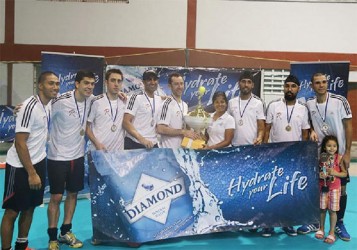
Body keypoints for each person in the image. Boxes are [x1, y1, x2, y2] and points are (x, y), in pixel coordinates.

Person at [1, 72, 60, 250]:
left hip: (39, 162)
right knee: (13, 211)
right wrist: (31, 173)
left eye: (57, 84)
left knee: (30, 206)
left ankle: (22, 245)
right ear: (40, 85)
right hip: (20, 166)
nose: (55, 87)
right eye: (51, 83)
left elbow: (78, 95)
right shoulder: (29, 107)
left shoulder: (49, 104)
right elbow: (19, 142)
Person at [298, 73, 353, 241]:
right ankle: (316, 222)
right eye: (317, 83)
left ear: (327, 83)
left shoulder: (339, 101)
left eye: (323, 82)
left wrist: (348, 152)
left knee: (340, 189)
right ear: (312, 86)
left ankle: (339, 223)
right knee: (318, 188)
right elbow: (305, 122)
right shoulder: (308, 103)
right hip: (319, 156)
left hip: (339, 154)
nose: (321, 85)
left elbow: (348, 126)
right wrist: (312, 131)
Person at [46, 70, 96, 250]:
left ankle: (65, 231)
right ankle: (52, 237)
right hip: (57, 157)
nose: (89, 87)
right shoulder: (60, 101)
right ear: (77, 84)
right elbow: (41, 104)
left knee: (73, 194)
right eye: (86, 83)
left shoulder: (92, 100)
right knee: (56, 197)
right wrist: (21, 106)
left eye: (92, 84)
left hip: (77, 156)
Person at [262, 74, 310, 237]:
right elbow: (267, 130)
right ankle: (268, 224)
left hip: (293, 157)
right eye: (287, 86)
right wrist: (264, 151)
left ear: (298, 89)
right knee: (271, 190)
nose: (289, 89)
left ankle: (287, 223)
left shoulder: (303, 109)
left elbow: (305, 134)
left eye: (293, 86)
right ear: (283, 87)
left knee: (289, 192)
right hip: (274, 155)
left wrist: (302, 155)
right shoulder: (274, 106)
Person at [315, 135, 347, 244]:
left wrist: (335, 173)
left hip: (334, 189)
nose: (332, 148)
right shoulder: (322, 157)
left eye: (334, 146)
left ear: (337, 147)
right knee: (322, 209)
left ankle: (332, 232)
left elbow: (344, 174)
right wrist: (320, 174)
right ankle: (321, 229)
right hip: (323, 187)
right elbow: (317, 171)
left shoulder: (339, 158)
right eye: (329, 146)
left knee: (333, 211)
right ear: (324, 147)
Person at [86, 69, 126, 151]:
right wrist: (97, 144)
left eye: (119, 81)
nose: (116, 84)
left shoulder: (125, 101)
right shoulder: (96, 101)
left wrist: (161, 98)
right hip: (98, 151)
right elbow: (86, 126)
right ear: (106, 82)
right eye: (113, 80)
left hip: (117, 154)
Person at [157, 72, 199, 148]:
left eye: (181, 84)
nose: (179, 86)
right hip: (169, 151)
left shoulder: (185, 105)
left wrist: (195, 131)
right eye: (176, 84)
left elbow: (185, 127)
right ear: (170, 86)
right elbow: (160, 129)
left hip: (182, 150)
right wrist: (183, 132)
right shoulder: (166, 104)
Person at [123, 70, 163, 149]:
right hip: (134, 143)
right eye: (149, 79)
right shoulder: (135, 97)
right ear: (143, 82)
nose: (152, 82)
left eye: (154, 79)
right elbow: (125, 122)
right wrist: (142, 140)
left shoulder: (159, 100)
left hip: (152, 144)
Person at [228, 70, 265, 146]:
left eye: (249, 82)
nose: (246, 85)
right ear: (239, 84)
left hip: (251, 146)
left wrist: (260, 137)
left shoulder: (258, 103)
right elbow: (227, 125)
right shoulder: (231, 102)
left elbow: (261, 127)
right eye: (243, 81)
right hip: (233, 146)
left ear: (253, 85)